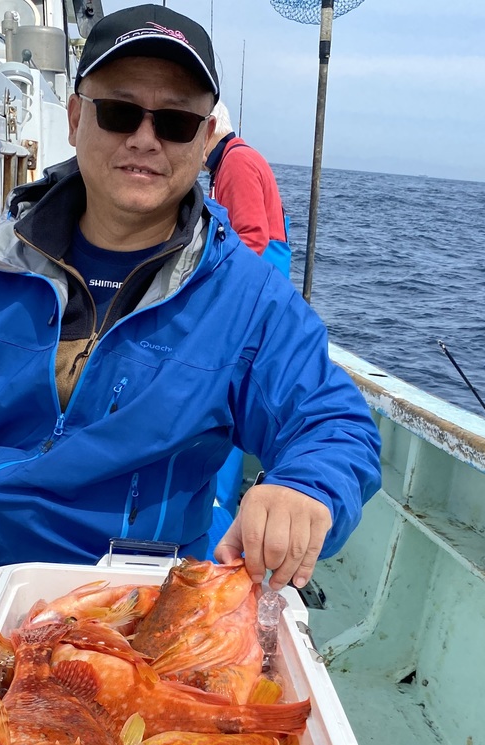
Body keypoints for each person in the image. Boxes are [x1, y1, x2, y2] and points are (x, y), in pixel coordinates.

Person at [0, 3, 380, 592]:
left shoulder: (249, 301)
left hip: (141, 605)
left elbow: (334, 422)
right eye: (120, 112)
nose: (145, 139)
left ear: (205, 139)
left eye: (175, 122)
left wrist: (305, 487)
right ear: (76, 118)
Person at [201, 100, 293, 548]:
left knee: (222, 396)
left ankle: (215, 513)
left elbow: (252, 238)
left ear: (210, 131)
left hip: (249, 306)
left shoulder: (235, 165)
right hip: (264, 297)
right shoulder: (238, 161)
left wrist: (219, 301)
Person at [204, 101, 292, 276]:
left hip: (256, 280)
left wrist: (218, 282)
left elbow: (253, 237)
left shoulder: (236, 161)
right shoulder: (235, 158)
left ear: (208, 130)